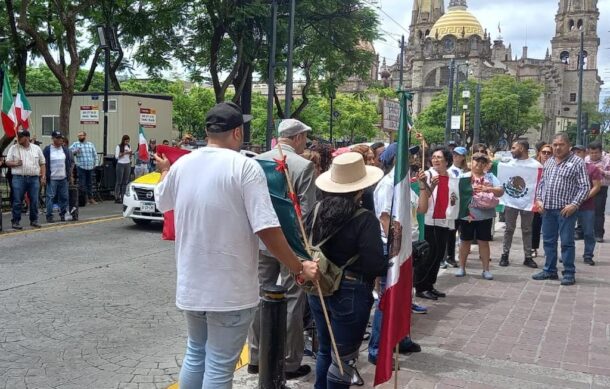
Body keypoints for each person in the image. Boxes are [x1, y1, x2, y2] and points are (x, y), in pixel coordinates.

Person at [154, 101, 319, 389]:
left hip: (192, 283)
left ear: (207, 131)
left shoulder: (183, 165)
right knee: (218, 365)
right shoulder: (245, 167)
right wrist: (297, 266)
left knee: (196, 354)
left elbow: (162, 201)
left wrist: (165, 172)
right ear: (238, 133)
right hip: (229, 289)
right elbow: (267, 228)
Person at [304, 152, 385, 389]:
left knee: (326, 350)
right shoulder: (364, 219)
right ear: (360, 189)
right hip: (351, 290)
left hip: (319, 285)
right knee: (345, 357)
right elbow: (373, 264)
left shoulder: (317, 210)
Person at [248, 119, 316, 379]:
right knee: (292, 298)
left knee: (258, 294)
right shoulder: (304, 165)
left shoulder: (256, 161)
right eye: (305, 138)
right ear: (297, 138)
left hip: (261, 239)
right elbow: (306, 214)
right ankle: (288, 361)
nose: (306, 143)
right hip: (291, 244)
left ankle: (255, 356)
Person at [368, 146, 427, 366]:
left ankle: (402, 338)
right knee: (387, 299)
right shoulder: (387, 184)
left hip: (406, 247)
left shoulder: (406, 182)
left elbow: (420, 209)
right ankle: (376, 348)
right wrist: (396, 248)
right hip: (393, 248)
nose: (412, 157)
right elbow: (384, 219)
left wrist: (423, 185)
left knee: (403, 296)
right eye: (407, 154)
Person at [533, 133, 590, 286]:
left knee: (566, 242)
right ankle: (549, 270)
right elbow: (542, 183)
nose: (557, 147)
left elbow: (584, 186)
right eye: (555, 144)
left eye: (561, 144)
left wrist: (574, 204)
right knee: (548, 241)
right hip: (547, 210)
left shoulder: (577, 162)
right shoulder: (549, 162)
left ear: (568, 146)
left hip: (566, 211)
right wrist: (539, 199)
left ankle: (569, 272)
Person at [455, 152, 504, 279]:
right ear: (471, 161)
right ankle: (461, 267)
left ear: (486, 164)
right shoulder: (463, 176)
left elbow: (500, 191)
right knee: (465, 241)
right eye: (476, 160)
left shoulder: (490, 177)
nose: (479, 164)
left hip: (485, 215)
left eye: (482, 162)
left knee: (484, 242)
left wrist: (488, 189)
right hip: (467, 214)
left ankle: (486, 269)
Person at [416, 147, 454, 300]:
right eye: (434, 157)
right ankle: (421, 286)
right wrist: (431, 185)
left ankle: (430, 285)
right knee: (429, 254)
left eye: (439, 157)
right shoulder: (427, 174)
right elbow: (422, 196)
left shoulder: (452, 176)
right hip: (430, 220)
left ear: (447, 161)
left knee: (439, 254)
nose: (436, 160)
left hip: (444, 219)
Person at [499, 140, 541, 269]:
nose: (511, 150)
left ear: (522, 148)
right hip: (511, 202)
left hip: (527, 202)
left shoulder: (536, 166)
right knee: (509, 229)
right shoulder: (509, 164)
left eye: (513, 148)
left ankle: (528, 257)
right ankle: (505, 255)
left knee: (527, 229)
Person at [5, 130, 46, 230]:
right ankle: (16, 221)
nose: (18, 139)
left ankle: (34, 220)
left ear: (27, 138)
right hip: (19, 178)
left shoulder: (36, 148)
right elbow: (7, 162)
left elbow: (42, 163)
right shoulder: (14, 148)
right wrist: (15, 163)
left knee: (34, 200)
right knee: (17, 200)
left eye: (20, 137)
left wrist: (43, 176)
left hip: (33, 178)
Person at [572, 145, 602, 265]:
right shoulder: (568, 167)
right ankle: (567, 254)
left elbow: (597, 186)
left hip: (587, 206)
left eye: (579, 152)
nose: (576, 154)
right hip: (570, 205)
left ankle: (588, 255)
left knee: (589, 232)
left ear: (585, 153)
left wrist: (583, 198)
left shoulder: (592, 168)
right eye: (574, 152)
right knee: (567, 232)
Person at [443, 146, 468, 269]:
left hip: (464, 207)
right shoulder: (449, 171)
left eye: (458, 155)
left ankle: (461, 256)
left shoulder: (468, 171)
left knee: (464, 234)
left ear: (463, 157)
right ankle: (449, 257)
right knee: (450, 233)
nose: (455, 157)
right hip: (453, 207)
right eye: (454, 154)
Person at [43, 131, 73, 223]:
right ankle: (49, 215)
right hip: (52, 178)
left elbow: (68, 163)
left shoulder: (65, 150)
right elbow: (43, 163)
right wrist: (43, 175)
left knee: (64, 197)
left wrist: (70, 175)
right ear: (53, 139)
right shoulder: (47, 150)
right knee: (50, 197)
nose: (60, 140)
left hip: (63, 177)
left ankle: (63, 214)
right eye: (58, 138)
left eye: (61, 138)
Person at [584, 141, 610, 242]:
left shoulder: (607, 159)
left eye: (596, 153)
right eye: (592, 153)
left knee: (599, 211)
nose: (594, 155)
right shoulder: (586, 159)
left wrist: (601, 171)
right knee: (585, 210)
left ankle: (599, 234)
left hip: (601, 188)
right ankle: (584, 232)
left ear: (601, 152)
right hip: (588, 187)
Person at [531, 143, 553, 258]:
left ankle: (549, 250)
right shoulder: (534, 166)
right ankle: (533, 248)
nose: (546, 155)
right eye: (544, 152)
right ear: (539, 153)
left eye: (549, 153)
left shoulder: (555, 166)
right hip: (535, 201)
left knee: (550, 229)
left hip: (550, 202)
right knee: (535, 226)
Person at [70, 131, 98, 204]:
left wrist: (96, 163)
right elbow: (69, 152)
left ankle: (90, 198)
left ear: (85, 136)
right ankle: (83, 199)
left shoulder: (90, 144)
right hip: (81, 166)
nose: (79, 137)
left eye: (81, 135)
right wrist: (75, 151)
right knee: (82, 184)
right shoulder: (75, 144)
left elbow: (95, 154)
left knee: (90, 183)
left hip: (90, 166)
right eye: (78, 136)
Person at [114, 135, 132, 203]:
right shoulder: (119, 146)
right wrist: (124, 153)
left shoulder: (129, 146)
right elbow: (116, 157)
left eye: (128, 141)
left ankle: (123, 196)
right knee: (119, 181)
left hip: (127, 164)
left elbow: (130, 156)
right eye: (126, 141)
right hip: (120, 164)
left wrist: (130, 154)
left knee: (125, 181)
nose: (127, 142)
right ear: (123, 140)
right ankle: (117, 197)